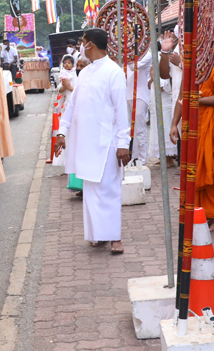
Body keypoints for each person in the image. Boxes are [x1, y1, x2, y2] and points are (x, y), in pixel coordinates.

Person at [54, 28, 131, 252]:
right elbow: (72, 106)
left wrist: (123, 143)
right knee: (90, 191)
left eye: (83, 43)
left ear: (90, 46)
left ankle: (115, 237)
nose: (80, 48)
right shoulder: (85, 73)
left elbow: (121, 111)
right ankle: (97, 234)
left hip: (107, 142)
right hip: (85, 142)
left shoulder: (113, 71)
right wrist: (61, 133)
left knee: (109, 189)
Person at [170, 55, 214, 232]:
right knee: (193, 167)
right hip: (193, 125)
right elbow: (182, 96)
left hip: (213, 124)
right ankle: (196, 210)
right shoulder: (192, 65)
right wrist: (174, 124)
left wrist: (197, 100)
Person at [158, 28, 182, 168]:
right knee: (182, 145)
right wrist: (165, 53)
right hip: (178, 103)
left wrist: (180, 63)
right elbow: (165, 75)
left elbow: (201, 72)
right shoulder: (177, 47)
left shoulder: (201, 45)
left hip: (197, 102)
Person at [126, 50, 152, 164]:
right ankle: (132, 156)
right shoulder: (126, 53)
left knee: (139, 128)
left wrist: (126, 54)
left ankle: (142, 158)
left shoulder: (147, 53)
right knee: (128, 128)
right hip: (127, 95)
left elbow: (133, 67)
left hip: (140, 95)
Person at [53, 55, 77, 170]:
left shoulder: (76, 74)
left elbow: (78, 90)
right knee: (66, 134)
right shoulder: (62, 75)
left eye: (69, 63)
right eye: (65, 63)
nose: (67, 65)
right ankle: (68, 163)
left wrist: (70, 87)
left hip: (78, 107)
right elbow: (59, 90)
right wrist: (64, 86)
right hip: (67, 107)